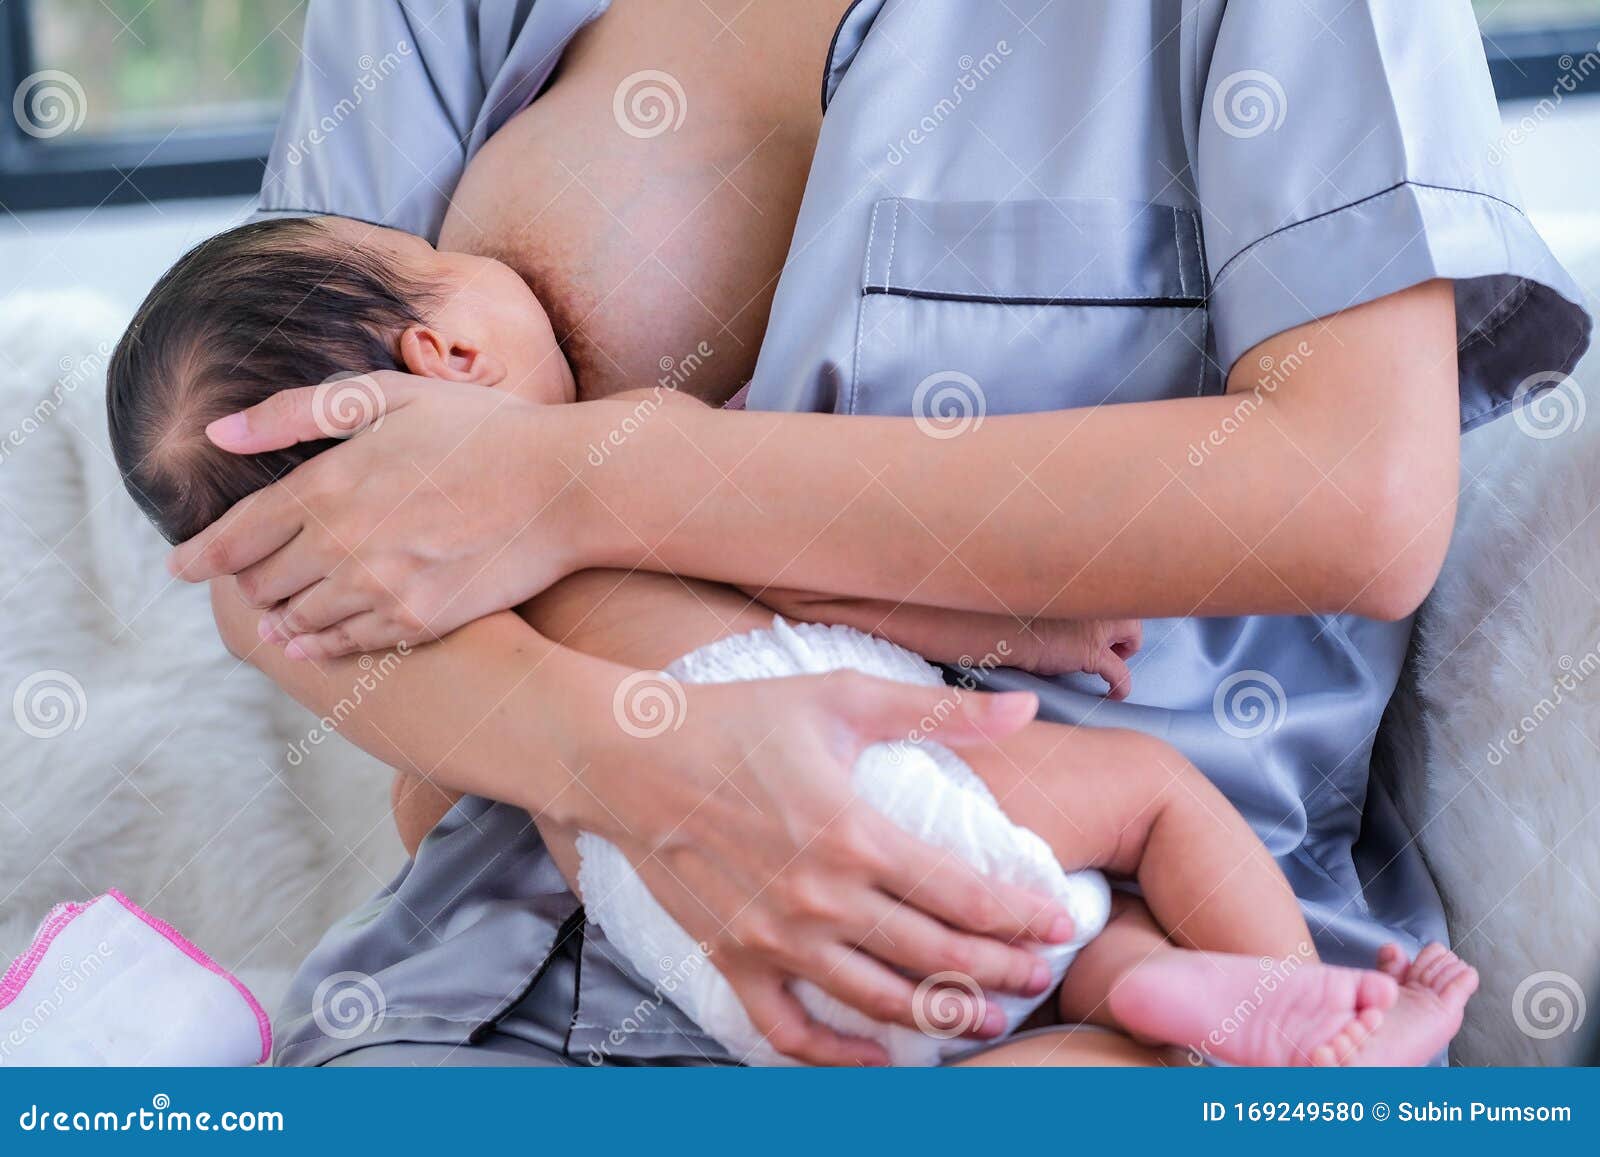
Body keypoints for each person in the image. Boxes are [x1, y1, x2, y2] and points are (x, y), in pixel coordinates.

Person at [164, 1, 1589, 1065]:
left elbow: (1360, 495)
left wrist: (585, 480)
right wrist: (642, 761)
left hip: (1121, 946)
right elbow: (275, 524)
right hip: (503, 983)